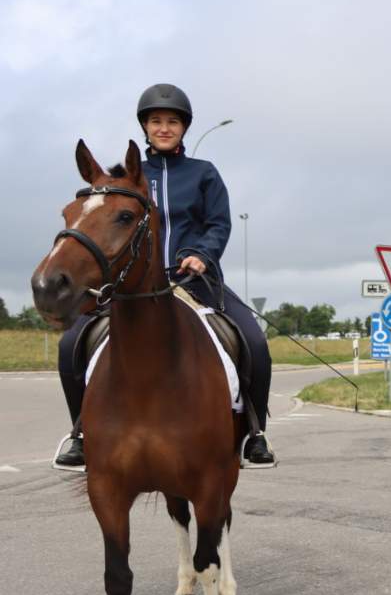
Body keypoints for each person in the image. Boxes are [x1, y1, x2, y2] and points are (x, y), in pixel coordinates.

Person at [54, 83, 278, 469]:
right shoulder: (127, 179)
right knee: (70, 344)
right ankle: (82, 434)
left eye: (172, 122)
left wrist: (201, 255)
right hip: (131, 284)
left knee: (255, 342)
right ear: (145, 127)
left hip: (194, 280)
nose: (164, 128)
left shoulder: (204, 174)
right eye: (156, 121)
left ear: (183, 128)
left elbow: (219, 224)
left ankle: (254, 434)